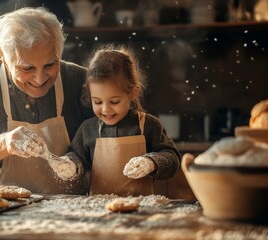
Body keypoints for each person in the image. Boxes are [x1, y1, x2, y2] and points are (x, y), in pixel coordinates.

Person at [0, 7, 93, 195]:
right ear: (4, 56)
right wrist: (4, 144)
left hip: (73, 205)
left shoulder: (78, 79)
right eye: (27, 68)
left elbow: (117, 137)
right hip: (4, 205)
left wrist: (79, 161)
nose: (40, 79)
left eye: (50, 64)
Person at [60, 45, 181, 196]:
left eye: (114, 102)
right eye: (97, 102)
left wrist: (151, 163)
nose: (105, 110)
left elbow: (173, 158)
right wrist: (71, 165)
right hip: (98, 207)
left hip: (140, 207)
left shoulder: (148, 125)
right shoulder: (87, 129)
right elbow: (77, 156)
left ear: (133, 93)